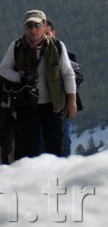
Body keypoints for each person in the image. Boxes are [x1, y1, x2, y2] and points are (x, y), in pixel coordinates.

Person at [0, 10, 76, 159]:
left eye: (37, 25)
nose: (33, 29)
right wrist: (17, 77)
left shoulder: (57, 46)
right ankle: (30, 181)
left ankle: (55, 180)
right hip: (26, 105)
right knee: (27, 150)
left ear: (44, 25)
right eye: (29, 25)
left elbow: (67, 73)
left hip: (53, 105)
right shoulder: (16, 46)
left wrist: (72, 102)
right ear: (24, 27)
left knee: (55, 148)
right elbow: (3, 69)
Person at [45, 19, 84, 156]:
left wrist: (66, 89)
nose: (45, 37)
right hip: (44, 106)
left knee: (65, 139)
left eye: (47, 33)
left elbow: (78, 77)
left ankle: (64, 168)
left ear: (53, 34)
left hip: (65, 105)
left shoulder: (68, 54)